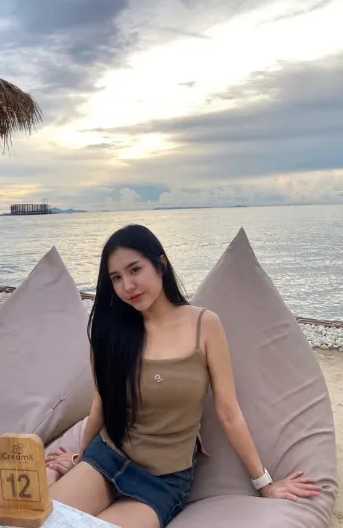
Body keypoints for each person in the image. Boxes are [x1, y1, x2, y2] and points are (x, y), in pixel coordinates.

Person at [45, 224, 321, 528]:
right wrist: (80, 459)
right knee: (45, 521)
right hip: (107, 458)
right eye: (116, 278)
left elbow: (229, 412)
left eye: (135, 270)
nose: (128, 286)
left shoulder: (204, 325)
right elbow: (101, 402)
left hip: (162, 482)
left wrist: (265, 483)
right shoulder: (111, 332)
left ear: (160, 264)